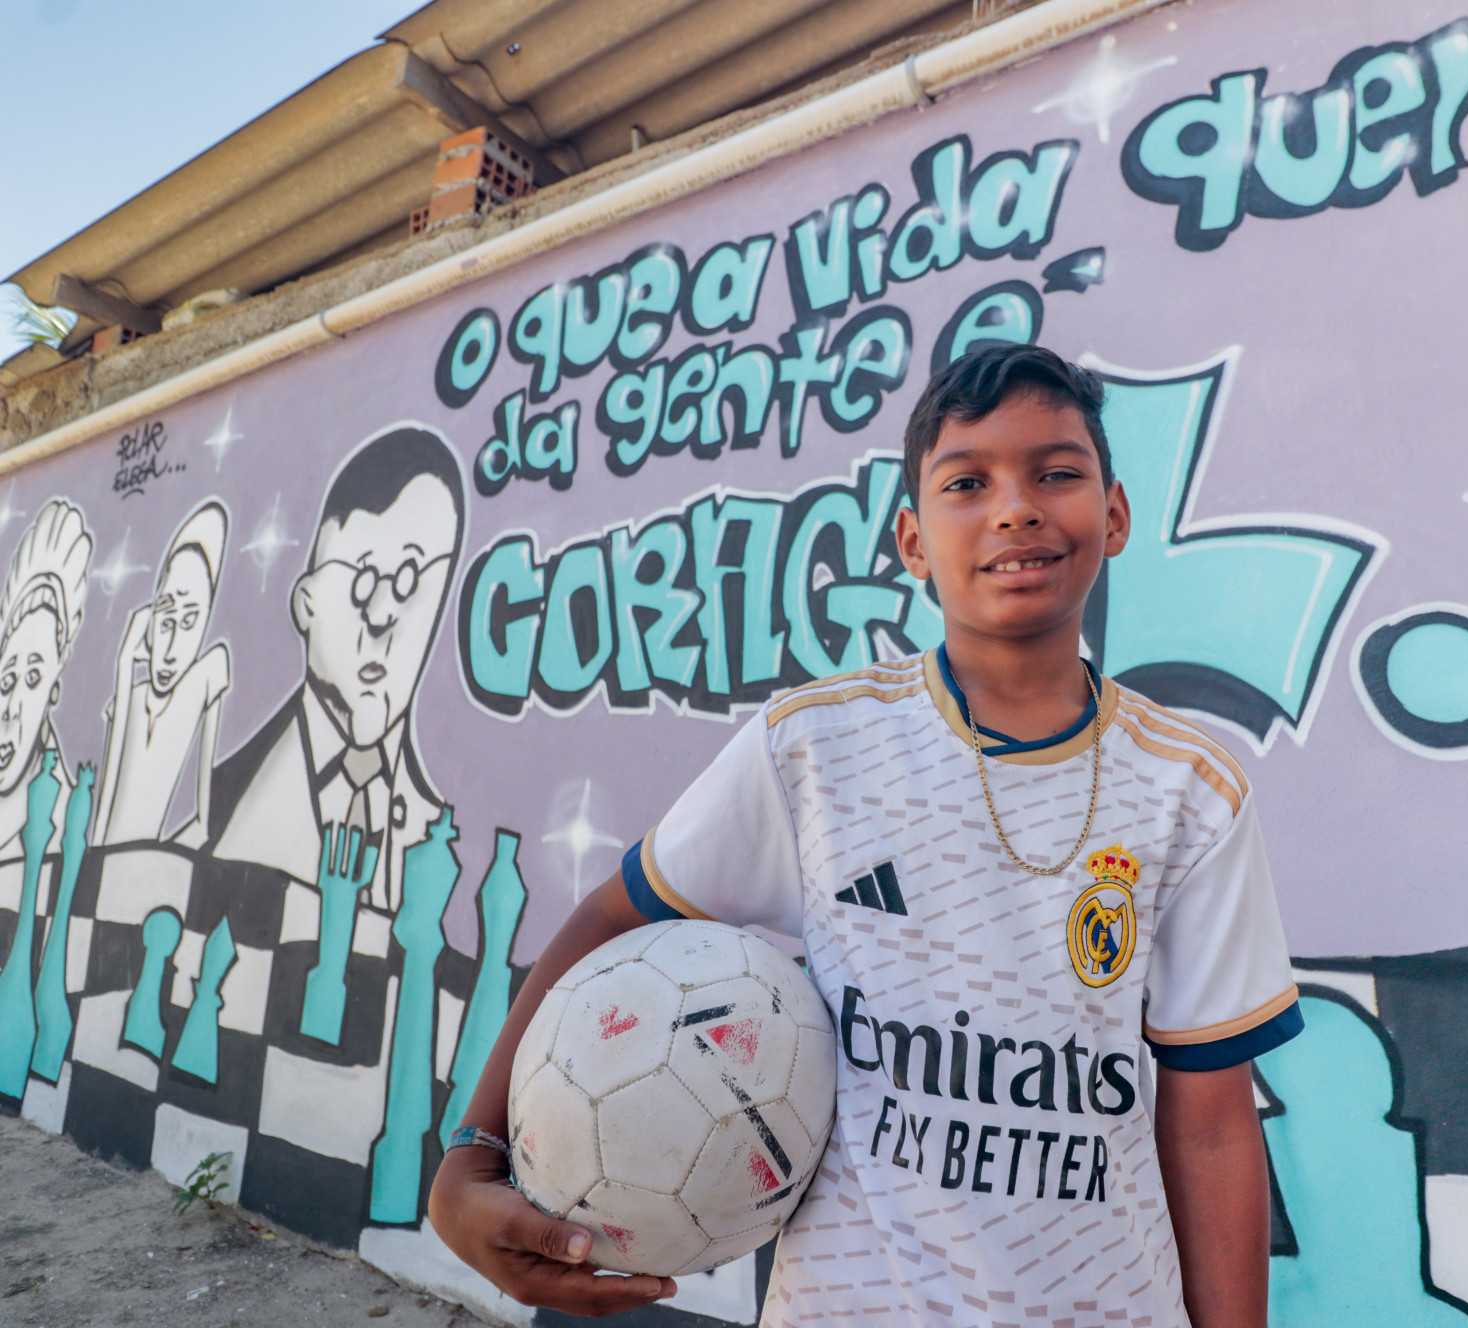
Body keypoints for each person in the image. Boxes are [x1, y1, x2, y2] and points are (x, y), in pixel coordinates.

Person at [429, 346, 1301, 1327]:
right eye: (967, 482)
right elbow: (607, 916)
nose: (1015, 507)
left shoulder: (1191, 786)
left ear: (1114, 515)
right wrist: (472, 1152)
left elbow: (1213, 1123)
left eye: (1056, 472)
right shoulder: (815, 746)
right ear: (914, 541)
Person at [207, 425, 465, 911]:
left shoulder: (442, 834)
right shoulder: (217, 804)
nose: (384, 614)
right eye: (364, 580)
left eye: (411, 580)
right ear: (308, 601)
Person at [94, 501, 232, 847]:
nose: (170, 649)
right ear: (149, 618)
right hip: (100, 874)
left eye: (190, 621)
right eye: (166, 619)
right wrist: (125, 665)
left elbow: (205, 824)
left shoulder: (208, 673)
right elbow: (103, 816)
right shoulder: (130, 697)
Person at [0, 499, 91, 862]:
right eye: (7, 681)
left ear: (55, 691)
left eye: (33, 679)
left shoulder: (63, 825)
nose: (11, 709)